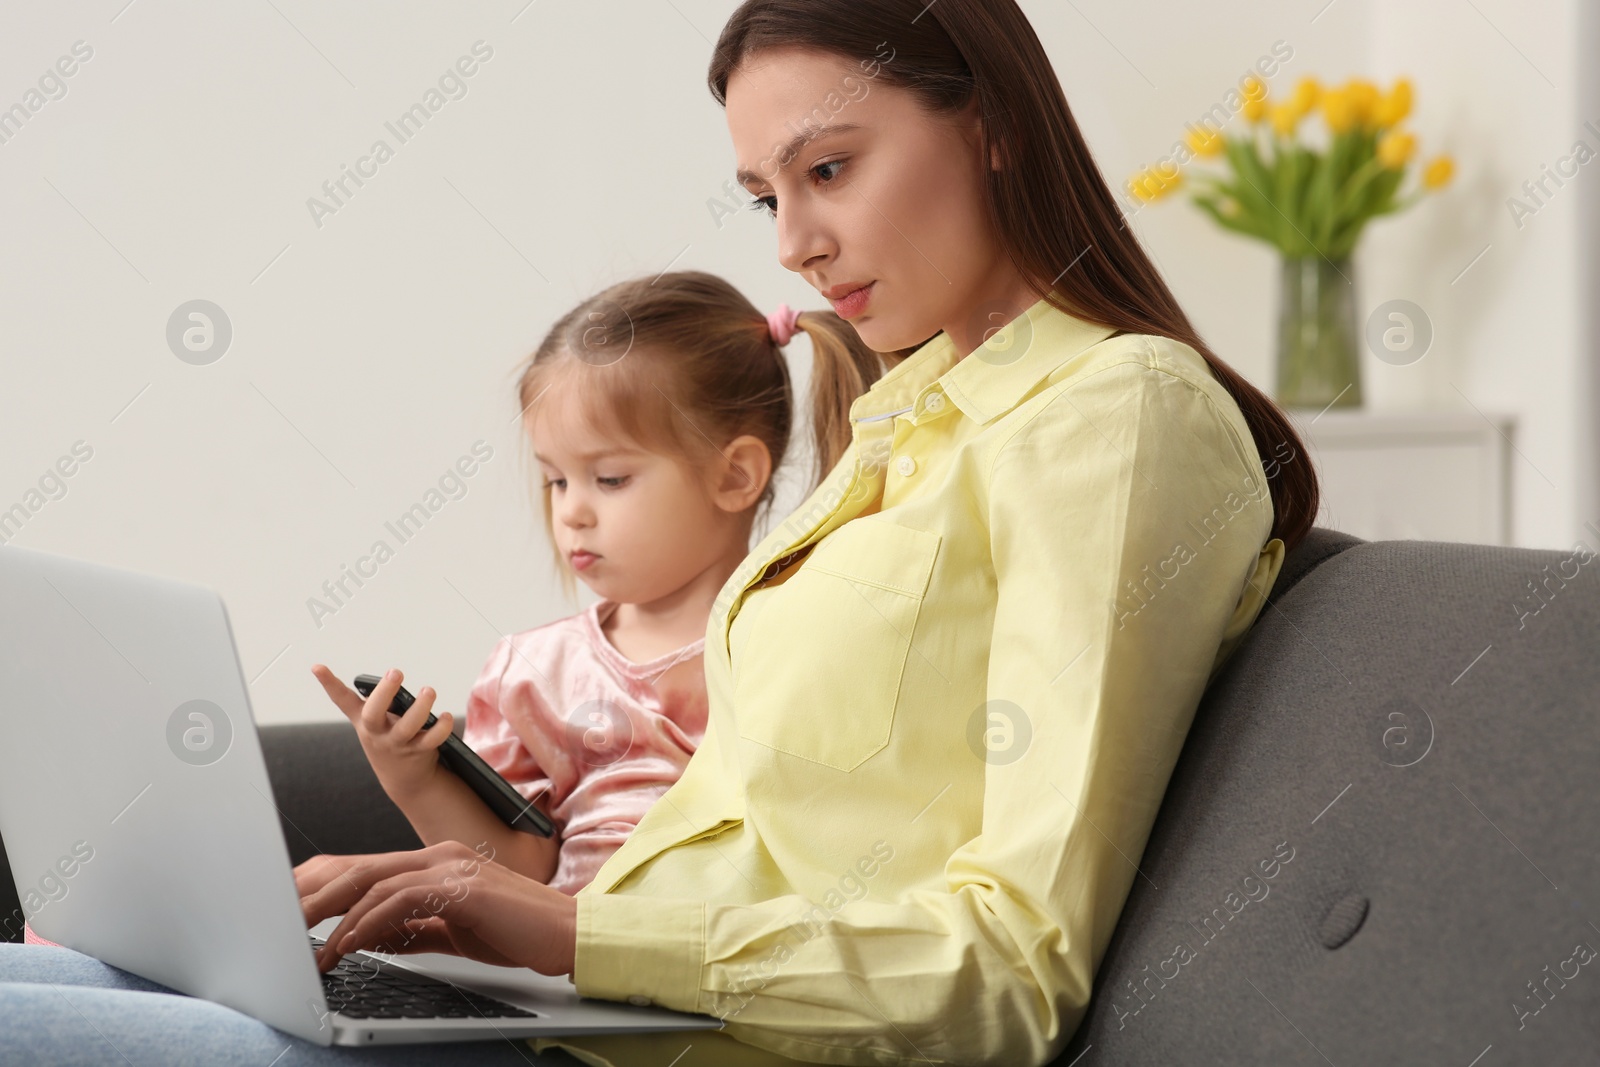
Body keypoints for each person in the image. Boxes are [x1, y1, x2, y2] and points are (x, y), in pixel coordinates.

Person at [0, 2, 1319, 1065]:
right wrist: (500, 905)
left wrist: (570, 937)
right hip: (597, 1008)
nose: (797, 242)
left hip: (670, 1024)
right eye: (765, 195)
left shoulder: (1111, 415)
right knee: (69, 967)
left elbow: (1015, 972)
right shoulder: (908, 421)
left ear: (991, 128)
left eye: (831, 169)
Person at [303, 271, 884, 899]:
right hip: (568, 978)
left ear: (735, 476)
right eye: (557, 480)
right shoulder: (532, 672)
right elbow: (520, 874)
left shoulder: (798, 644)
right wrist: (414, 779)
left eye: (608, 479)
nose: (571, 511)